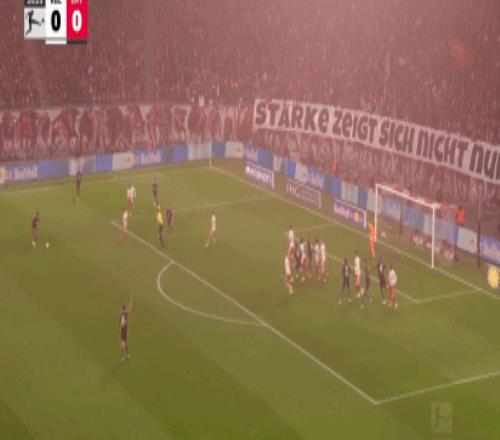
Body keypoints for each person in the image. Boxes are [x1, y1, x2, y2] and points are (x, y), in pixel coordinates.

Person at [120, 297, 133, 362]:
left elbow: (120, 324)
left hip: (123, 331)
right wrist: (131, 301)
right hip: (124, 331)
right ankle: (124, 355)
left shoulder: (121, 314)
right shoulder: (124, 314)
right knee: (123, 344)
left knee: (125, 343)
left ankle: (126, 355)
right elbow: (130, 309)